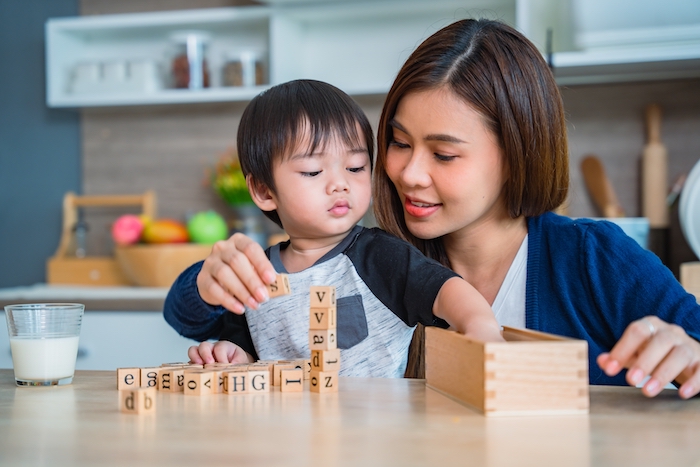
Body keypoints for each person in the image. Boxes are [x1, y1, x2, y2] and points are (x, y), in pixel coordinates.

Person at [195, 19, 700, 399]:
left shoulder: (593, 259)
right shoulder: (371, 255)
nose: (408, 173)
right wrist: (207, 280)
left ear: (517, 153)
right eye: (397, 142)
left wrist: (690, 352)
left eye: (444, 154)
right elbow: (208, 321)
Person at [164, 79, 504, 378]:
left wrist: (480, 325)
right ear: (265, 191)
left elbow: (444, 290)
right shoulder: (256, 276)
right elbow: (243, 350)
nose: (340, 184)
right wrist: (234, 356)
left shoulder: (380, 256)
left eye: (355, 167)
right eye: (313, 172)